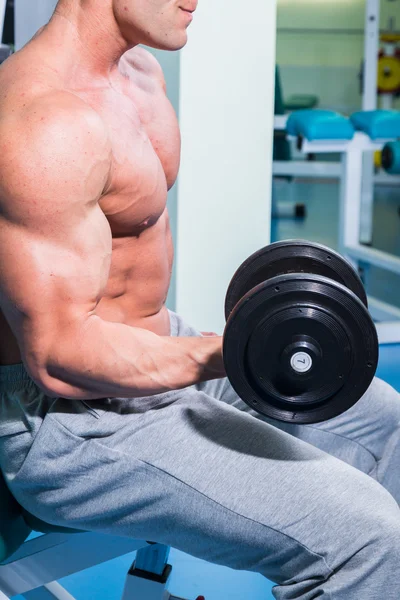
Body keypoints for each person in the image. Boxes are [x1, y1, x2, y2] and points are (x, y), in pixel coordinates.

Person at [0, 1, 399, 597]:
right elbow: (58, 354)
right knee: (366, 538)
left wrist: (215, 351)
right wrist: (227, 355)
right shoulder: (43, 123)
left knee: (385, 423)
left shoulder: (138, 73)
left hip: (155, 352)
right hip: (71, 422)